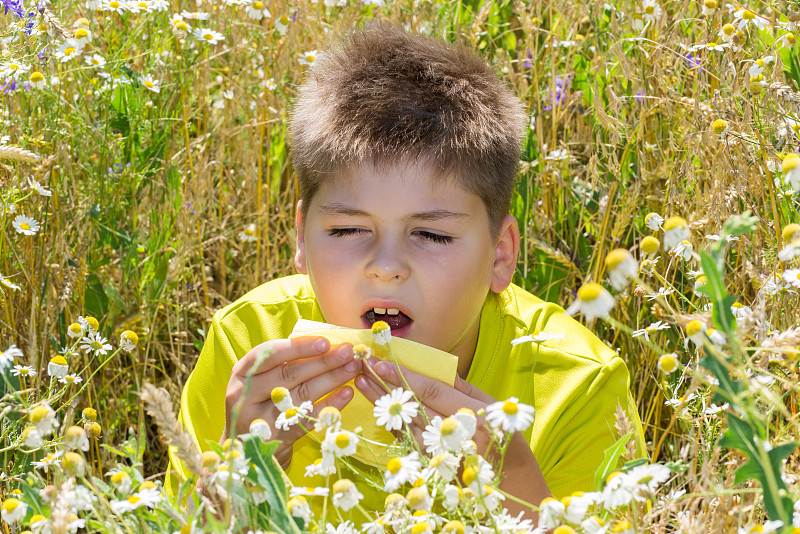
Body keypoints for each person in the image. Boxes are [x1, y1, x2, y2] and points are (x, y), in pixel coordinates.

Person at [167, 23, 647, 517]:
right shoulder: (249, 345)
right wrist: (234, 488)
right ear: (301, 239)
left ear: (500, 255)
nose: (387, 267)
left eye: (433, 235)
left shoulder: (577, 389)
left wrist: (519, 494)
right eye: (348, 230)